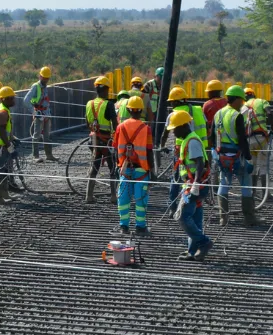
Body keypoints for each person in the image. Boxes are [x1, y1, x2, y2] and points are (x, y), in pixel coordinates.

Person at [168, 109, 212, 259]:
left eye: (174, 129)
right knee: (195, 218)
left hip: (195, 186)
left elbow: (200, 163)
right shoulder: (189, 139)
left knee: (182, 216)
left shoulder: (192, 141)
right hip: (195, 185)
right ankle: (192, 252)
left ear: (182, 126)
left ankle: (204, 242)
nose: (173, 132)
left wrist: (195, 184)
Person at [212, 84, 258, 225]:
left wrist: (215, 153)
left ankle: (223, 217)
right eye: (242, 101)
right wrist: (249, 158)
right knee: (246, 185)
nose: (242, 104)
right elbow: (242, 139)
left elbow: (211, 136)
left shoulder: (218, 114)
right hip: (237, 157)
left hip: (222, 156)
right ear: (237, 99)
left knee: (224, 184)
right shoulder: (236, 116)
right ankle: (249, 218)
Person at [112, 96, 154, 234]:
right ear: (141, 110)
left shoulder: (120, 127)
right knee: (140, 198)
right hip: (141, 168)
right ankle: (140, 227)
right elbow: (148, 151)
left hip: (124, 168)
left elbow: (115, 147)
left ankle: (124, 226)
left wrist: (116, 166)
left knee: (123, 198)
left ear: (128, 109)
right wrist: (152, 171)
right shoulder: (145, 128)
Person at [162, 86, 205, 211]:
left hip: (183, 151)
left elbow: (165, 134)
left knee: (177, 178)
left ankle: (173, 207)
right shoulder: (198, 110)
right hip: (201, 150)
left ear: (175, 101)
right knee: (199, 179)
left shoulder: (174, 115)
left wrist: (162, 146)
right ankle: (194, 206)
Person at [84, 76, 119, 204]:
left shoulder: (89, 104)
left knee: (94, 166)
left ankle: (89, 195)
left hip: (93, 140)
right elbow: (115, 124)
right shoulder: (108, 104)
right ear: (105, 89)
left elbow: (87, 123)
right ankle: (113, 196)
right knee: (112, 167)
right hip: (106, 141)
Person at [0, 85, 22, 197]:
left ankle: (4, 194)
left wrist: (13, 139)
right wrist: (9, 146)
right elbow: (2, 132)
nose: (12, 100)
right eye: (9, 98)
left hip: (1, 145)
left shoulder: (3, 109)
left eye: (12, 97)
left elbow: (5, 130)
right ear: (2, 99)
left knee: (5, 170)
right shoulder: (3, 112)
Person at [25, 66, 54, 160]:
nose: (46, 80)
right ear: (40, 76)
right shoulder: (35, 86)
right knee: (36, 135)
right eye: (44, 78)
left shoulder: (45, 87)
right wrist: (34, 112)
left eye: (47, 78)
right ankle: (35, 156)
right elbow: (26, 100)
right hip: (39, 114)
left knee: (47, 136)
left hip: (47, 113)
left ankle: (49, 155)